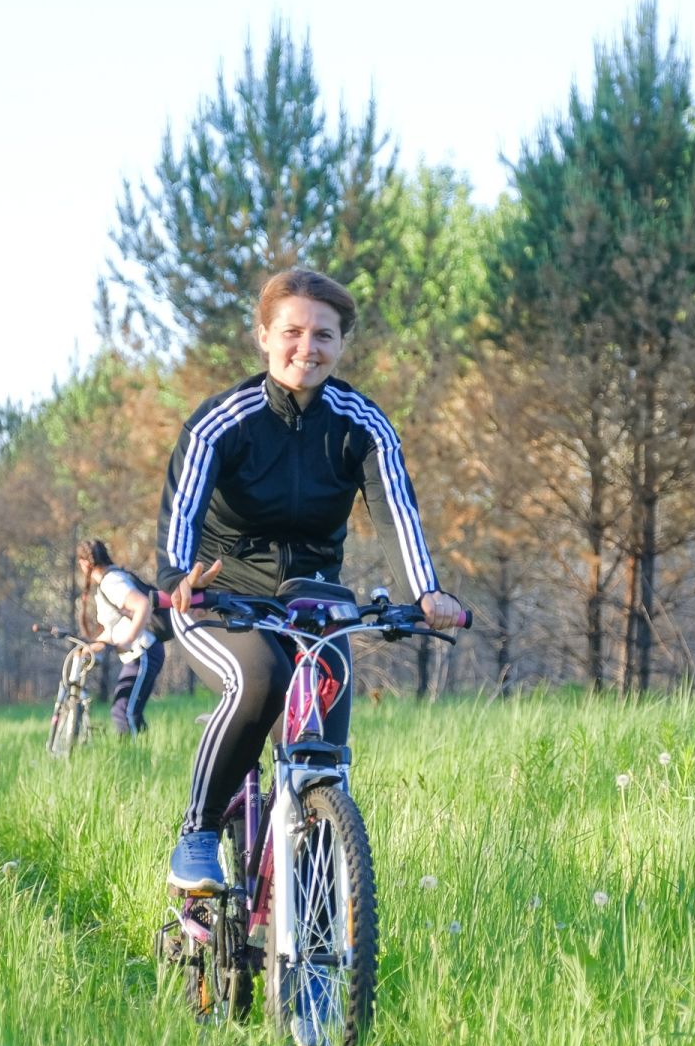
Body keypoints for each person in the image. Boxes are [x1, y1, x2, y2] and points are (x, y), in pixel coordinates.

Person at [156, 268, 464, 893]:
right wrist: (178, 575)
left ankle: (314, 945)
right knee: (260, 677)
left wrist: (426, 592)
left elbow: (396, 509)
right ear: (264, 337)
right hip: (219, 598)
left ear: (342, 344)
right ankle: (198, 835)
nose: (307, 347)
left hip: (312, 608)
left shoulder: (362, 424)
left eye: (324, 334)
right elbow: (182, 509)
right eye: (292, 331)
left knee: (322, 757)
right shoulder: (223, 421)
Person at [76, 539, 168, 735]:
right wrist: (91, 648)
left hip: (144, 652)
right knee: (125, 710)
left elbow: (142, 605)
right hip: (140, 654)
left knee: (124, 712)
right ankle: (141, 754)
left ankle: (136, 761)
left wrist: (128, 640)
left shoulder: (111, 582)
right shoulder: (109, 582)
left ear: (84, 564)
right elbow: (114, 630)